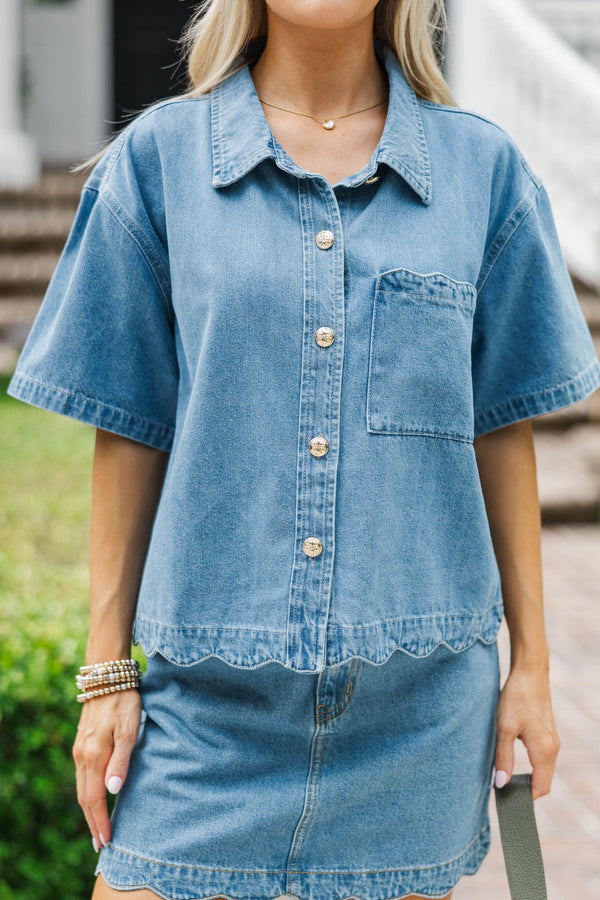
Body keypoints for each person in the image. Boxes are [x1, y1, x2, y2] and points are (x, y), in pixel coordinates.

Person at [7, 1, 600, 898]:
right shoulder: (158, 166)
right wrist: (105, 680)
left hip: (416, 717)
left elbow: (500, 428)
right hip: (202, 714)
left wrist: (533, 671)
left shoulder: (484, 173)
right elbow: (130, 433)